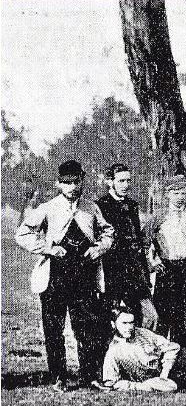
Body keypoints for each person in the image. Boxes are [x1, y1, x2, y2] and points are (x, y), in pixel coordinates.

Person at [15, 160, 114, 391]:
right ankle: (58, 377)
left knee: (86, 327)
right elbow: (23, 234)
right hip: (55, 276)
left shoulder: (91, 207)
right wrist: (48, 248)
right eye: (67, 183)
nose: (72, 187)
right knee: (54, 328)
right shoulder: (48, 207)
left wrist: (98, 248)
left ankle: (89, 376)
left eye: (76, 182)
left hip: (84, 275)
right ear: (59, 184)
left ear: (82, 182)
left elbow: (108, 232)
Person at [142, 175, 186, 353]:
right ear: (168, 194)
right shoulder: (159, 216)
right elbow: (145, 241)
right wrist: (153, 261)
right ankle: (159, 358)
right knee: (163, 315)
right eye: (175, 193)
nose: (180, 197)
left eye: (183, 192)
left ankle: (182, 360)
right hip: (167, 269)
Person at [96, 163, 157, 330]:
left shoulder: (132, 205)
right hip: (111, 272)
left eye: (128, 181)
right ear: (110, 182)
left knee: (148, 317)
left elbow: (137, 240)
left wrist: (144, 271)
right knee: (112, 320)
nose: (126, 185)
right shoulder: (100, 205)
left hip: (135, 272)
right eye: (121, 181)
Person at [102, 305, 186, 392]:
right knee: (178, 385)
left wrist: (165, 371)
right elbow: (111, 382)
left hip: (171, 365)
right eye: (124, 323)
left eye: (132, 323)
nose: (130, 327)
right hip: (156, 379)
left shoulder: (142, 333)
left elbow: (172, 347)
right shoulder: (113, 351)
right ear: (113, 325)